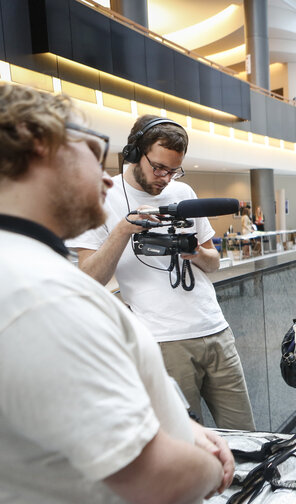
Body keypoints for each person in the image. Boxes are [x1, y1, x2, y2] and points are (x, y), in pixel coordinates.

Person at [0, 83, 233, 504]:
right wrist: (212, 467)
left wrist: (184, 430)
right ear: (40, 149)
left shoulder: (31, 269)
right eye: (92, 150)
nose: (107, 176)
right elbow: (153, 479)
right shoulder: (41, 299)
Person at [69, 115, 255, 430]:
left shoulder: (184, 192)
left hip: (216, 329)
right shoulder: (102, 196)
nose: (165, 178)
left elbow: (214, 262)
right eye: (158, 168)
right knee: (186, 441)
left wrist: (196, 253)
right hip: (163, 341)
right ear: (132, 153)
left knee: (246, 434)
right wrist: (124, 229)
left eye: (173, 170)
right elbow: (88, 278)